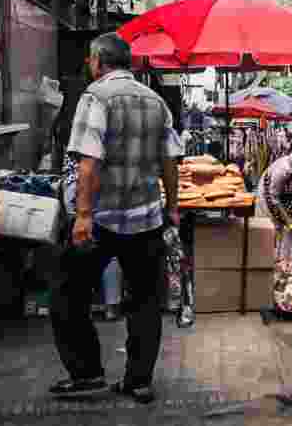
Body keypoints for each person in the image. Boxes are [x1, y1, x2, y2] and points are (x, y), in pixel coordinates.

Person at [50, 33, 182, 404]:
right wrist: (172, 207)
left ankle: (87, 373)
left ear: (97, 60)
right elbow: (171, 162)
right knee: (144, 300)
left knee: (66, 294)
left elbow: (88, 164)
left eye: (90, 61)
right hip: (146, 219)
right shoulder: (156, 101)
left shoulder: (95, 97)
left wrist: (82, 216)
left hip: (102, 220)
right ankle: (139, 380)